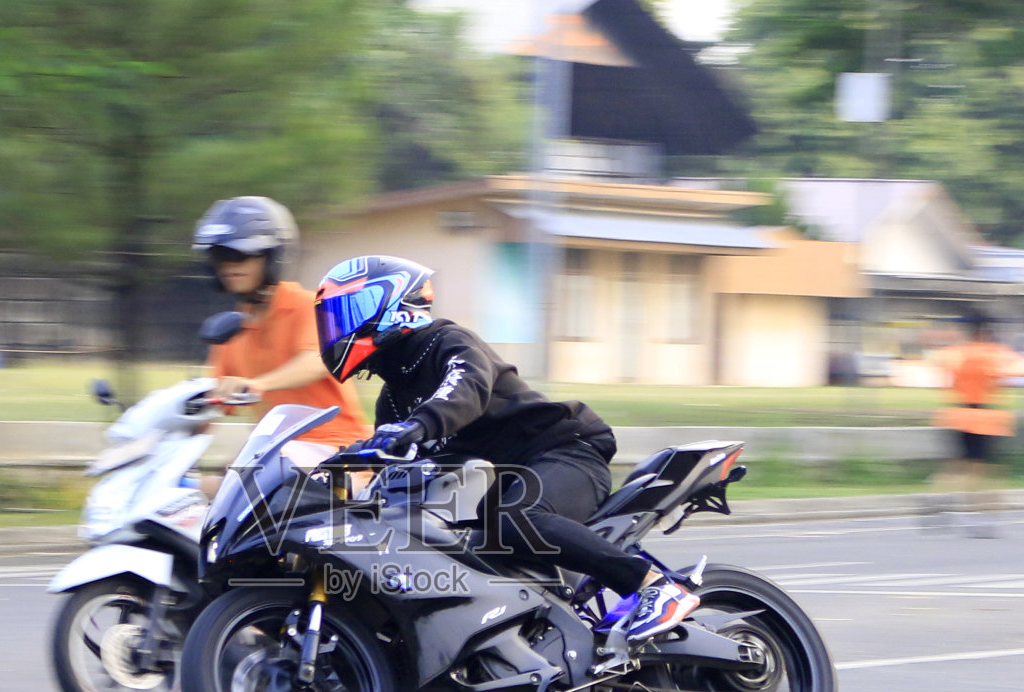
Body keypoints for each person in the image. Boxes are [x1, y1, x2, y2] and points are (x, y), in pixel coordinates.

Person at [312, 254, 697, 643]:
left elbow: (465, 390)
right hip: (500, 487)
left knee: (518, 519)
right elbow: (389, 461)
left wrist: (418, 426)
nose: (337, 328)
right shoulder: (393, 402)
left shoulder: (447, 342)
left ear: (392, 304)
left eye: (349, 312)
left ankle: (655, 587)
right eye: (331, 319)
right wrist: (333, 472)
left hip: (563, 451)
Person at [192, 197, 370, 484]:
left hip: (337, 452)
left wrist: (258, 384)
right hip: (275, 454)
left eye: (240, 255)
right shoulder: (235, 324)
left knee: (254, 478)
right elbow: (213, 396)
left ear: (272, 256)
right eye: (220, 257)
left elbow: (318, 360)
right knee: (202, 493)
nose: (229, 266)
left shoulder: (308, 305)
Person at [926, 310, 1021, 537]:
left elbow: (937, 364)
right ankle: (984, 518)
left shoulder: (956, 353)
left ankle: (936, 501)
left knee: (955, 465)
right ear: (988, 332)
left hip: (956, 414)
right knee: (985, 470)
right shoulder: (996, 354)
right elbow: (1012, 373)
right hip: (986, 418)